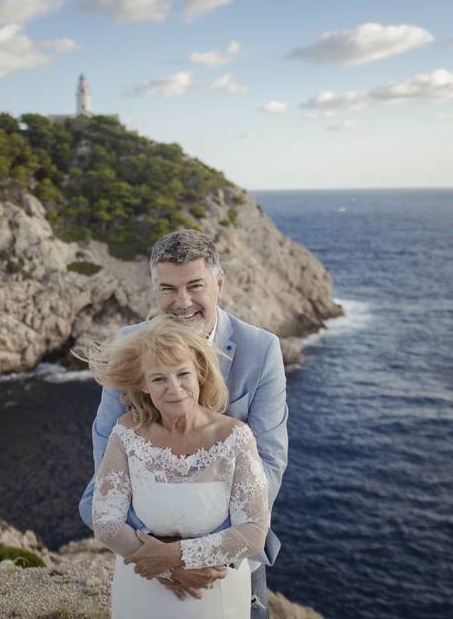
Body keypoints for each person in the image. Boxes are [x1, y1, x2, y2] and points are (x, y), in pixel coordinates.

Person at [78, 229, 288, 618]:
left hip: (228, 559)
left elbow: (270, 464)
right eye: (168, 289)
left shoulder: (261, 350)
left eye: (195, 286)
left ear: (219, 283)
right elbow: (105, 456)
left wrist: (195, 555)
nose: (183, 302)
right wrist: (158, 556)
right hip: (146, 554)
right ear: (154, 290)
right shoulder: (128, 347)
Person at [87, 316, 270, 618]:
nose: (174, 388)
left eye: (182, 374)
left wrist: (175, 556)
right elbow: (106, 523)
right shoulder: (126, 434)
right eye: (159, 379)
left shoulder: (235, 437)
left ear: (198, 373)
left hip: (216, 591)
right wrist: (168, 570)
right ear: (144, 384)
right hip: (143, 588)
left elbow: (253, 532)